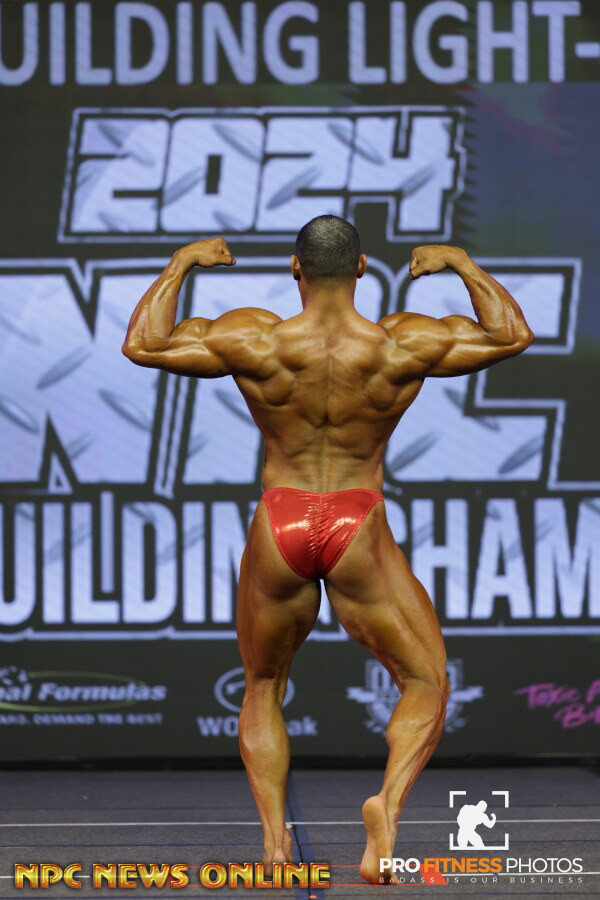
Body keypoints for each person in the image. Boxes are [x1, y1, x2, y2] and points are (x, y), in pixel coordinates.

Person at [122, 215, 534, 884]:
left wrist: (183, 262)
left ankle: (274, 846)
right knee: (426, 681)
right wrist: (461, 262)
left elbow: (144, 343)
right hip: (355, 518)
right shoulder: (399, 342)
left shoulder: (258, 337)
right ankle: (387, 808)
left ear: (295, 268)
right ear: (362, 268)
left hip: (280, 518)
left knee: (263, 684)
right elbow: (511, 334)